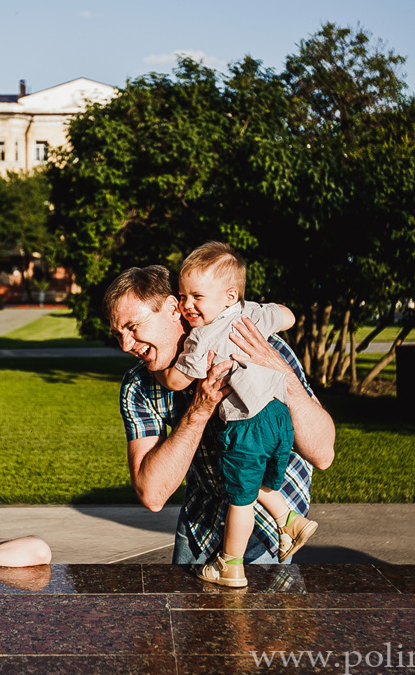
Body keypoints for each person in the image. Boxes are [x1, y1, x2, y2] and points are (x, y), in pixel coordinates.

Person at [104, 261, 335, 576]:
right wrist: (200, 407)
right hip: (203, 514)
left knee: (253, 621)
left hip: (269, 513)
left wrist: (278, 368)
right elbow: (153, 494)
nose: (126, 346)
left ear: (173, 308)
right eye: (119, 335)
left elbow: (323, 455)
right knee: (184, 616)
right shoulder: (139, 385)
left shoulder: (257, 342)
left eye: (132, 327)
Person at [153, 242, 319, 587]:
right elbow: (286, 315)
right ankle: (290, 519)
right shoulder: (253, 313)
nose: (187, 305)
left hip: (248, 424)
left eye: (197, 296)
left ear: (229, 296)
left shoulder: (203, 337)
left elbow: (175, 380)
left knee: (240, 497)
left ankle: (230, 565)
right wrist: (259, 322)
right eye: (183, 296)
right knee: (254, 479)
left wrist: (156, 368)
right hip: (278, 415)